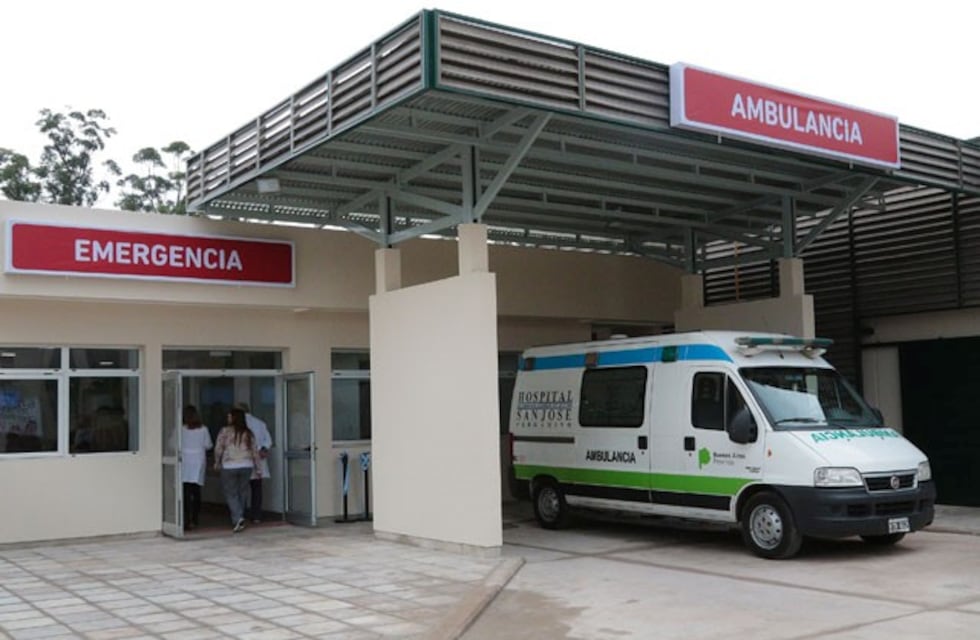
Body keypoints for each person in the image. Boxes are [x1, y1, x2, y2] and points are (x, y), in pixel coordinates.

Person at [213, 408, 262, 532]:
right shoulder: (248, 432)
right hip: (246, 464)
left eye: (229, 416)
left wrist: (217, 462)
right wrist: (258, 468)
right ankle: (240, 516)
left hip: (229, 465)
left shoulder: (224, 431)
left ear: (234, 418)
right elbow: (255, 451)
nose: (227, 418)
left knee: (230, 492)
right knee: (242, 492)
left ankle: (238, 518)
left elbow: (218, 448)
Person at [235, 401, 272, 522]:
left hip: (242, 460)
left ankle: (241, 515)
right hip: (258, 460)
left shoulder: (237, 425)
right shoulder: (260, 423)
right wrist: (263, 449)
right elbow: (268, 440)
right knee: (257, 489)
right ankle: (256, 515)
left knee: (241, 489)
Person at [181, 405, 213, 530]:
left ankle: (185, 519)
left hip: (184, 461)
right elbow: (208, 445)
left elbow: (172, 444)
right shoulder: (203, 429)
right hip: (198, 461)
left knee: (185, 491)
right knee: (196, 490)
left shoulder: (181, 429)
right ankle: (195, 518)